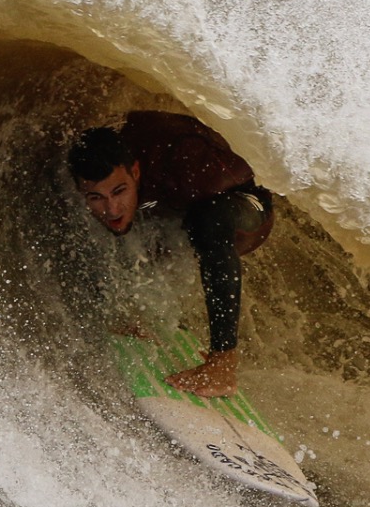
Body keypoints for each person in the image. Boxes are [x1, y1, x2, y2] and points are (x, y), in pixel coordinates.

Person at [68, 111, 274, 397]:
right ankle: (140, 318)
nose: (111, 208)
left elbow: (258, 174)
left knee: (208, 222)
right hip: (171, 195)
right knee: (147, 222)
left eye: (119, 191)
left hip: (245, 210)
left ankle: (223, 364)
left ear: (136, 172)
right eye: (96, 198)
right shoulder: (116, 163)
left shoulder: (190, 167)